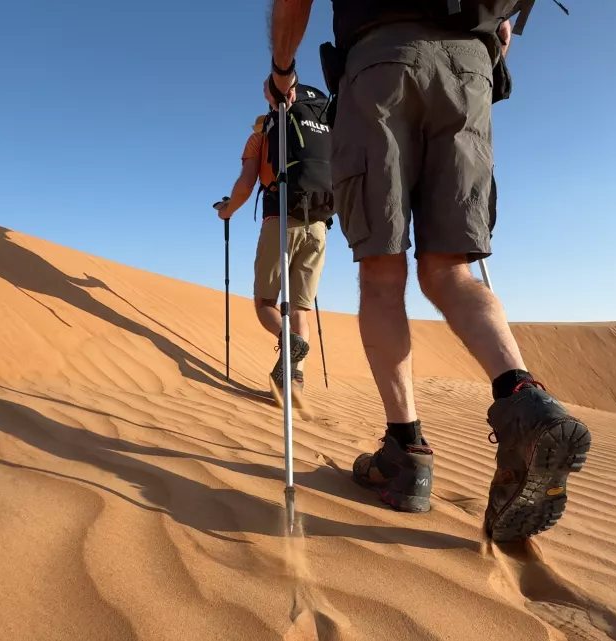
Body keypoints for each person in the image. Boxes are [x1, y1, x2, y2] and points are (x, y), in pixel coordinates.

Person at [265, 0, 592, 542]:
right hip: (469, 70)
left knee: (382, 276)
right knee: (451, 272)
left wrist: (282, 71)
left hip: (378, 66)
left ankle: (406, 450)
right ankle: (522, 397)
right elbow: (505, 27)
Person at [216, 81, 332, 413]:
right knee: (300, 309)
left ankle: (289, 342)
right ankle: (294, 379)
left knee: (266, 302)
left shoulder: (260, 136)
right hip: (320, 225)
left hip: (280, 220)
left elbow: (245, 183)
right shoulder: (316, 126)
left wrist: (227, 210)